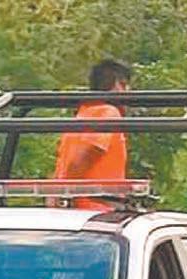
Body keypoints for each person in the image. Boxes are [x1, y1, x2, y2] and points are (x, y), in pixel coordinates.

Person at [52, 59, 132, 210]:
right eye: (125, 85)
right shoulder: (108, 112)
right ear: (116, 84)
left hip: (75, 210)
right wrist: (63, 191)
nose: (128, 91)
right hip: (98, 209)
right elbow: (91, 150)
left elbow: (65, 164)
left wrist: (54, 191)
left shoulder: (82, 114)